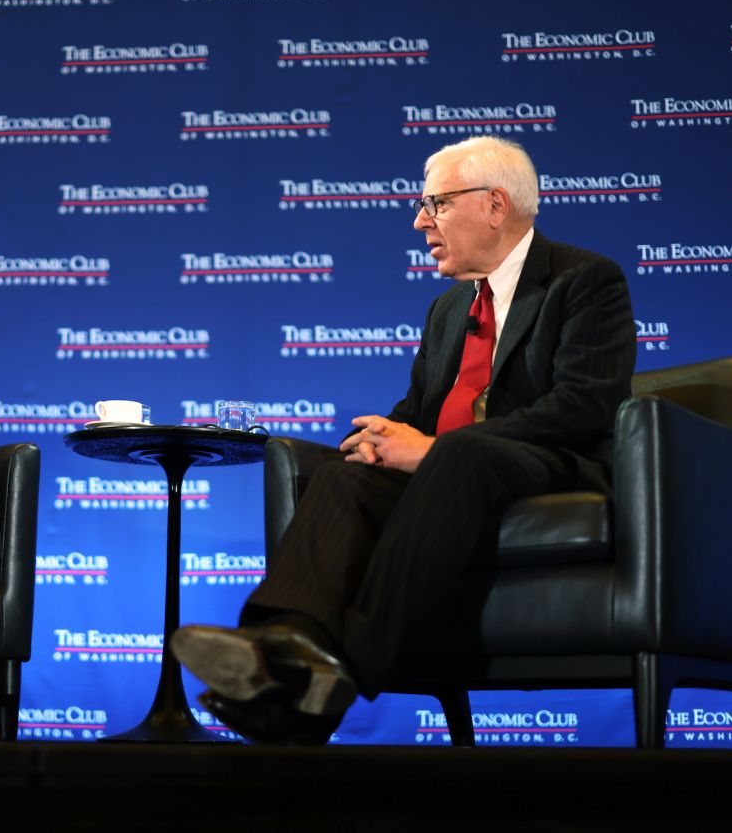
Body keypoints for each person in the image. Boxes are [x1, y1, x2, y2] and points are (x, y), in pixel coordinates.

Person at [171, 136, 637, 744]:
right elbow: (417, 413)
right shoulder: (448, 309)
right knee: (345, 475)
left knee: (462, 451)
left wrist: (435, 449)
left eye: (436, 203)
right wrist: (383, 438)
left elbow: (584, 405)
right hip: (454, 479)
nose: (420, 221)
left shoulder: (583, 279)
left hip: (548, 467)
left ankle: (346, 665)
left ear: (495, 205)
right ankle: (282, 652)